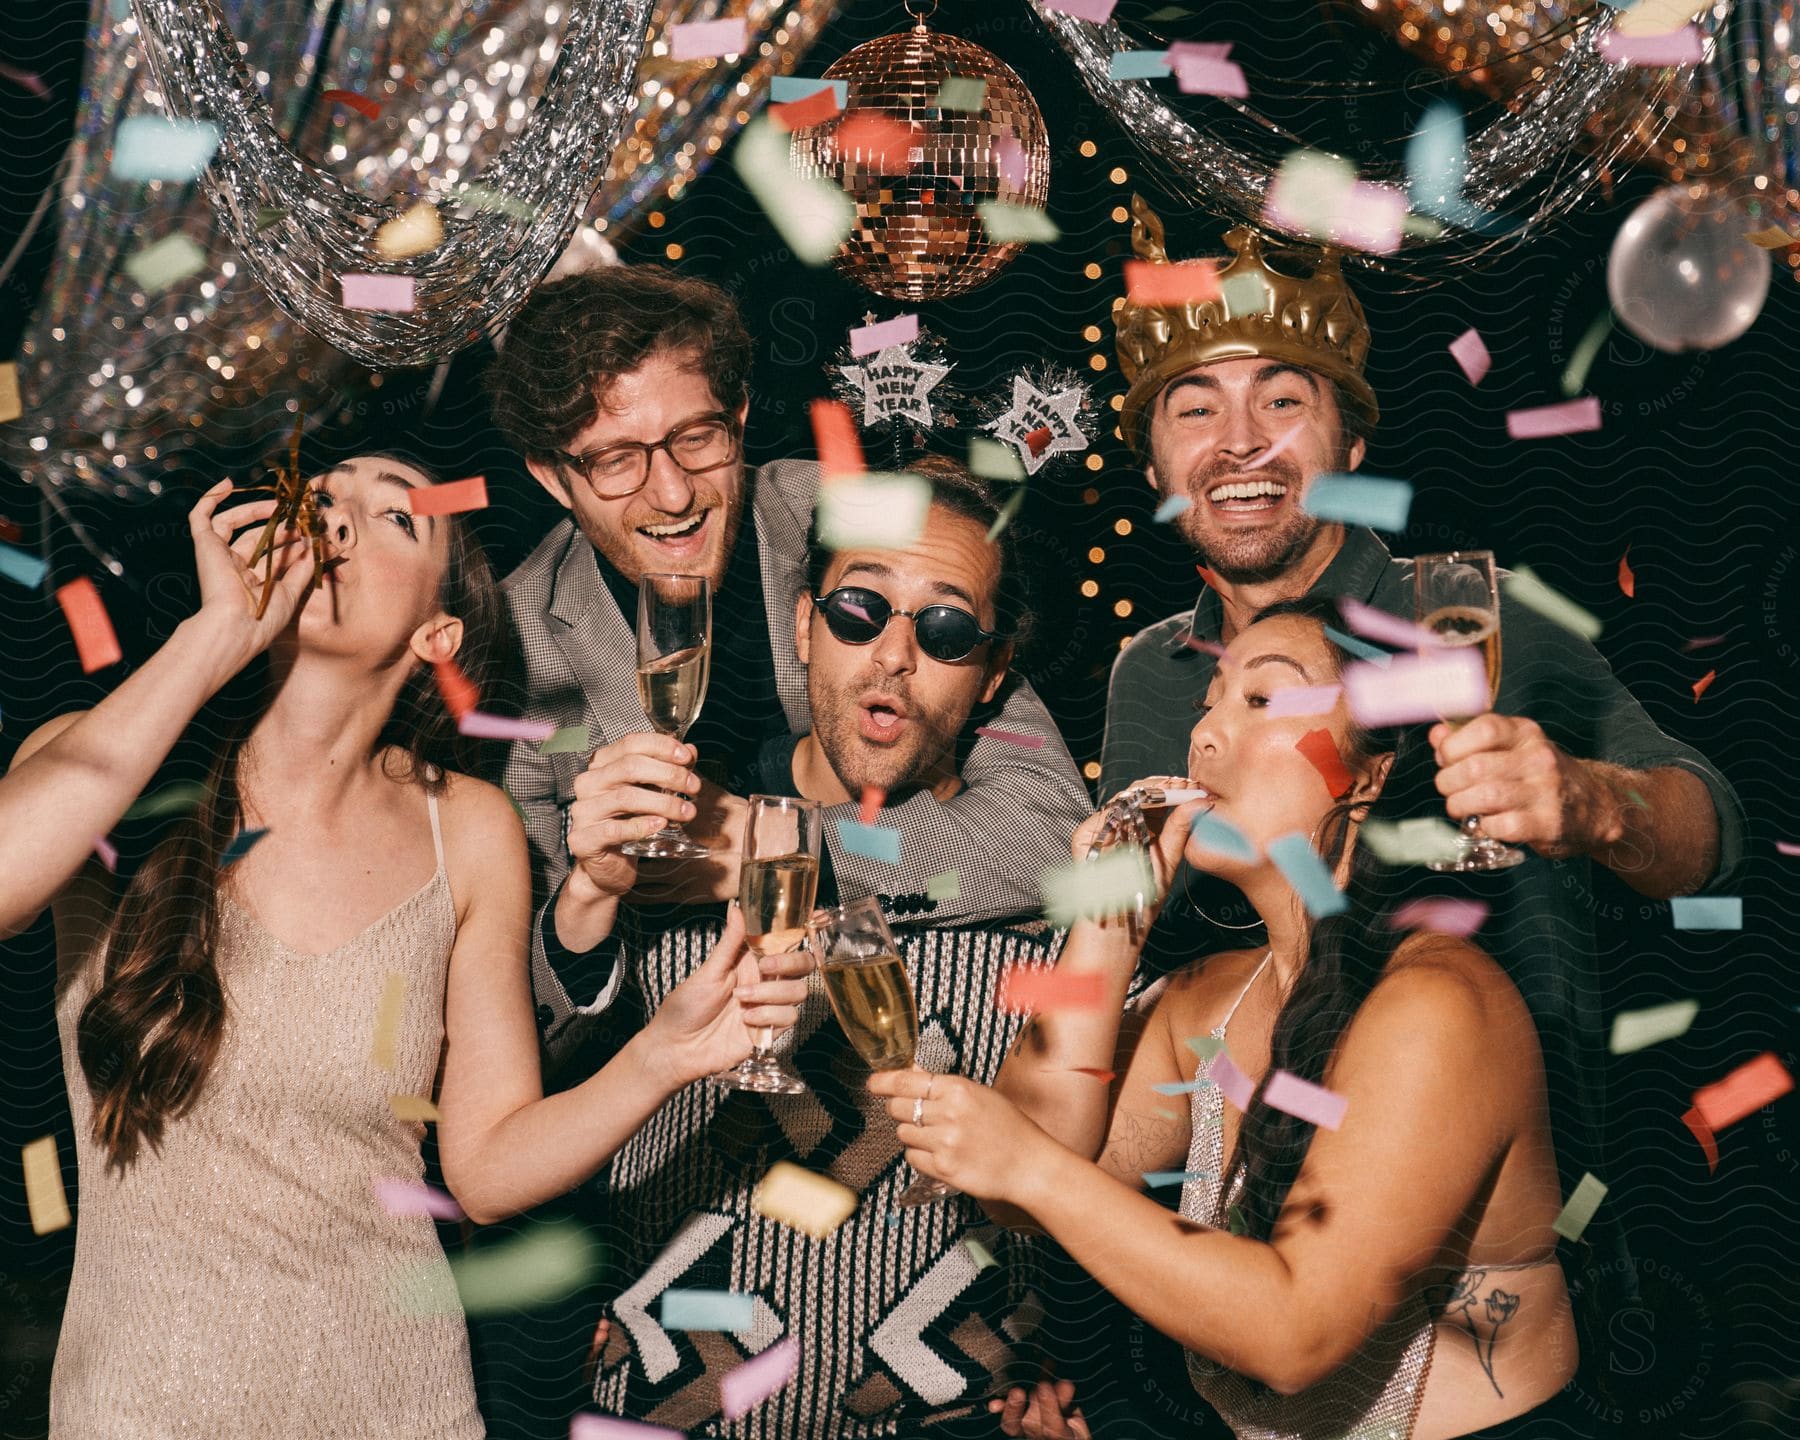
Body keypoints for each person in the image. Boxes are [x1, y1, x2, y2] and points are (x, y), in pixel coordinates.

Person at [7, 456, 805, 1437]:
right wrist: (216, 632)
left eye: (384, 514)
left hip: (397, 1408)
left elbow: (484, 1166)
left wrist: (660, 1058)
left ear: (439, 631)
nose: (330, 524)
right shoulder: (104, 764)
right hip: (137, 1412)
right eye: (321, 501)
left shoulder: (465, 828)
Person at [1097, 199, 1744, 1334]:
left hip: (1508, 1269)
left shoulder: (1470, 620)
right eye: (1194, 409)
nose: (1237, 442)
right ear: (1154, 459)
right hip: (1246, 1257)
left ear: (1350, 443)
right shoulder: (1153, 676)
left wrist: (1597, 804)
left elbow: (1713, 835)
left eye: (1282, 401)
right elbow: (1150, 970)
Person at [872, 598, 1580, 1440]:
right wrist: (1105, 929)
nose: (1204, 734)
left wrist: (1029, 1168)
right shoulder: (1210, 1000)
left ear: (1373, 771)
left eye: (1263, 701)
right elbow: (1030, 1179)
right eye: (1210, 700)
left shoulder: (1440, 1003)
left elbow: (1295, 1332)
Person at [570, 456, 1073, 1438]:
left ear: (991, 676)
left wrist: (1082, 1361)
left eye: (945, 628)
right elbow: (525, 1099)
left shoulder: (1043, 873)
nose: (891, 655)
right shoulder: (667, 830)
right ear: (804, 624)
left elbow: (1103, 1163)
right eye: (858, 611)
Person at [483, 266, 1090, 1067]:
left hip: (905, 1030)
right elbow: (522, 1011)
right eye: (617, 460)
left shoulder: (850, 521)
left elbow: (1055, 832)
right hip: (680, 1089)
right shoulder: (520, 649)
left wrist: (784, 852)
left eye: (696, 438)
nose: (670, 494)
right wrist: (581, 909)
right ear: (552, 475)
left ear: (737, 416)